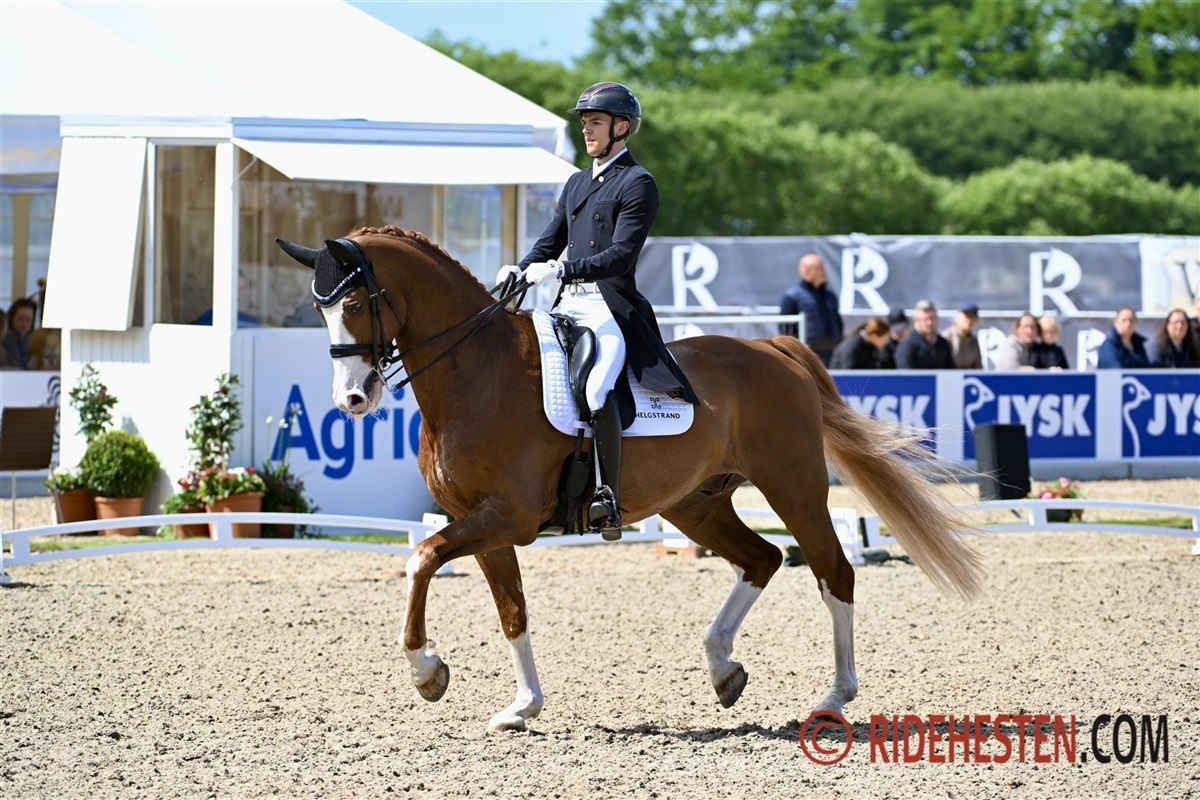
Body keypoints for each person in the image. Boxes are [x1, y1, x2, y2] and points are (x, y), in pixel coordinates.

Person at [496, 82, 699, 540]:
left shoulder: (637, 182)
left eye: (595, 122)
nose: (586, 130)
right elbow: (549, 241)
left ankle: (606, 495)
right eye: (585, 122)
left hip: (608, 306)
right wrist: (520, 269)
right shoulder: (576, 182)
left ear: (621, 128)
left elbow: (622, 255)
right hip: (567, 304)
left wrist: (563, 269)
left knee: (596, 386)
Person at [778, 253, 843, 365]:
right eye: (820, 267)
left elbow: (838, 322)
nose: (825, 271)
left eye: (824, 267)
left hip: (831, 355)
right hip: (806, 358)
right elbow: (786, 330)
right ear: (807, 272)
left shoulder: (830, 295)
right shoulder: (792, 296)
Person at [894, 299, 954, 369]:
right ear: (916, 321)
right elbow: (905, 372)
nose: (929, 323)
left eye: (932, 318)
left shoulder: (943, 343)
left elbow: (950, 370)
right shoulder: (907, 345)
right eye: (925, 319)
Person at [941, 303, 982, 369]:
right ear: (957, 317)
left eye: (972, 317)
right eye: (966, 316)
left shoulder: (974, 342)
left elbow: (978, 366)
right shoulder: (945, 338)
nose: (969, 320)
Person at [2, 298, 37, 369]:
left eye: (28, 319)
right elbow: (17, 367)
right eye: (20, 319)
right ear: (12, 318)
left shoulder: (25, 338)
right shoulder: (8, 337)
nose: (24, 324)